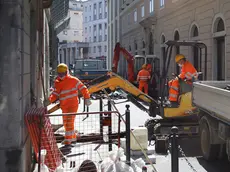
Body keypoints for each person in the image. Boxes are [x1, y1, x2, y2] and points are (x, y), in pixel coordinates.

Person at [48, 63, 92, 146]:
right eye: (60, 74)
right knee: (66, 123)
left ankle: (68, 140)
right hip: (64, 106)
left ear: (67, 72)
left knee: (69, 122)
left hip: (72, 105)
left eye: (63, 73)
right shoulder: (58, 82)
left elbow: (83, 88)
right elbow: (56, 94)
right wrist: (49, 100)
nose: (61, 75)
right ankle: (73, 137)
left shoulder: (73, 80)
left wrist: (87, 98)